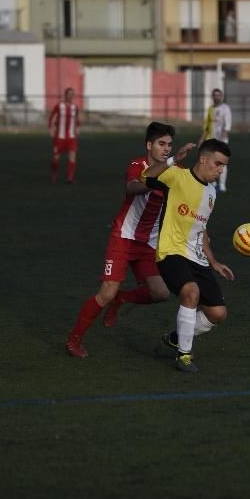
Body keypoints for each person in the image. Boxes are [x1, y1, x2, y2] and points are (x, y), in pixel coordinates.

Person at [65, 122, 177, 358]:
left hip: (148, 244)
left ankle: (121, 299)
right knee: (105, 292)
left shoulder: (175, 171)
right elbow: (133, 186)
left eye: (169, 145)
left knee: (161, 293)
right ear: (149, 145)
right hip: (124, 238)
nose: (166, 149)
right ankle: (74, 340)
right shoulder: (138, 165)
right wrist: (153, 182)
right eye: (161, 144)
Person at [142, 139, 234, 373]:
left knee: (217, 313)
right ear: (203, 159)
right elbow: (146, 176)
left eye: (223, 166)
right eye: (218, 164)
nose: (221, 170)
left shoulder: (211, 192)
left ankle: (175, 338)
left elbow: (200, 228)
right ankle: (184, 355)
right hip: (170, 251)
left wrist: (213, 261)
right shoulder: (176, 177)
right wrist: (174, 159)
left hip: (197, 257)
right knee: (190, 292)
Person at [199, 88, 232, 192]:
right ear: (212, 97)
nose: (216, 97)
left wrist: (222, 140)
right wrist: (201, 140)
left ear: (221, 96)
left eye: (218, 95)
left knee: (222, 162)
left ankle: (222, 185)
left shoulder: (225, 108)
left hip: (222, 141)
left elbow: (227, 126)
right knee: (210, 162)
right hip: (211, 141)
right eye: (215, 95)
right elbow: (206, 126)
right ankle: (213, 183)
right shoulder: (210, 109)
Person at [48, 87, 81, 184]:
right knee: (56, 157)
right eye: (69, 94)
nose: (71, 96)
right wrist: (51, 128)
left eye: (72, 94)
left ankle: (70, 178)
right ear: (65, 95)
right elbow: (52, 117)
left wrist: (78, 127)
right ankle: (54, 175)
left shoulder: (75, 107)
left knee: (72, 155)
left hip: (71, 136)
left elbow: (77, 118)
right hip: (60, 136)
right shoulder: (59, 106)